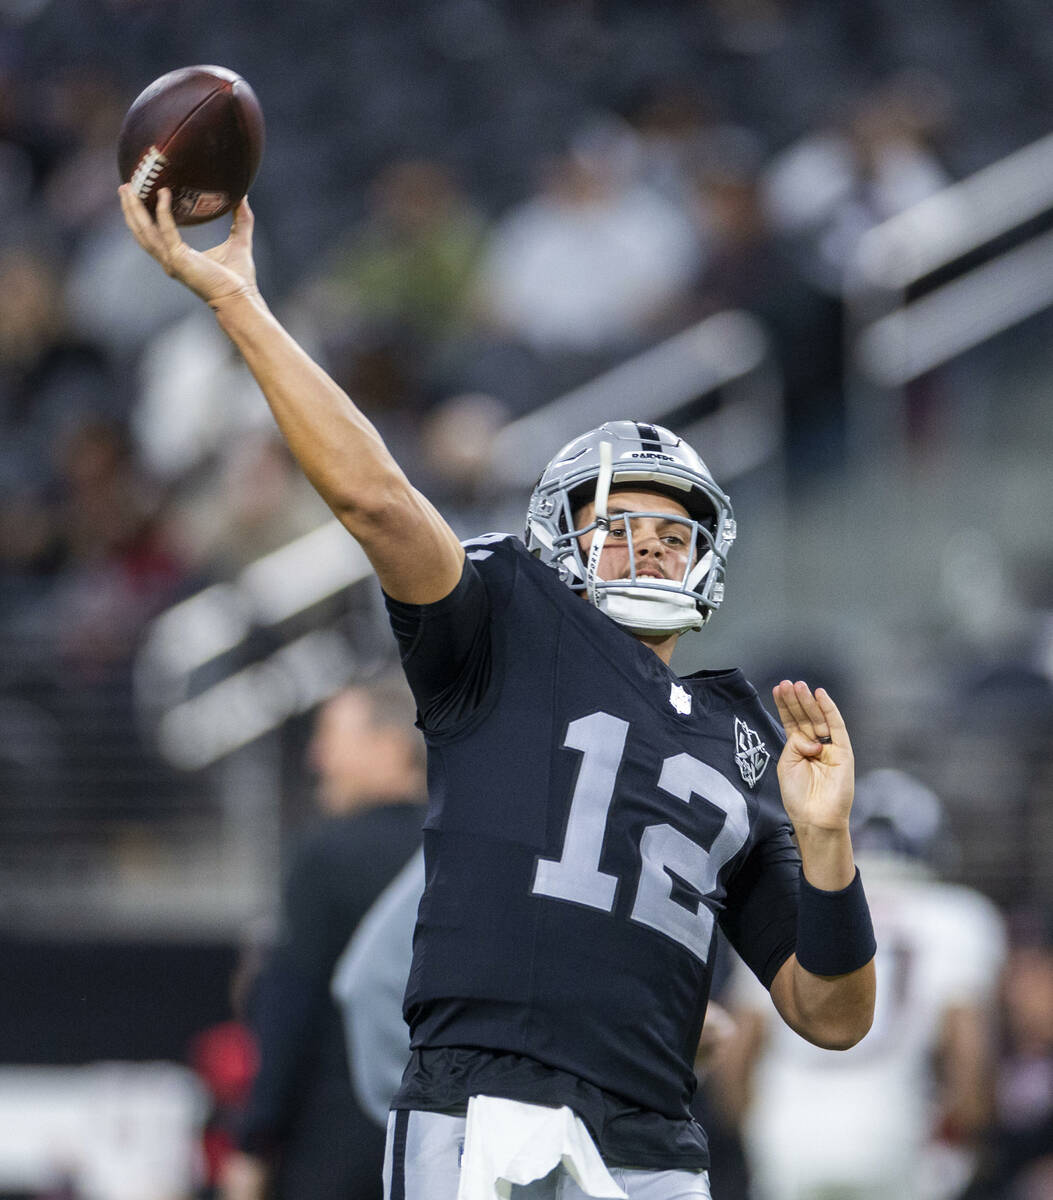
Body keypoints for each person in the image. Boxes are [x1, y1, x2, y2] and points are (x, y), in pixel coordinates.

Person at [120, 184, 877, 1200]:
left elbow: (832, 1014)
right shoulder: (503, 626)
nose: (649, 542)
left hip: (654, 1137)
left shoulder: (743, 738)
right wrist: (240, 306)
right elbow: (375, 500)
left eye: (671, 529)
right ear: (561, 536)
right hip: (485, 1106)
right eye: (620, 521)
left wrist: (828, 845)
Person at [713, 768, 1006, 1200]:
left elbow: (735, 1059)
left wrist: (754, 1131)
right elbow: (970, 1062)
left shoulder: (790, 904)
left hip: (788, 1142)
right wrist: (971, 1143)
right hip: (896, 1143)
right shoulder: (957, 917)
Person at [220, 678, 426, 1200]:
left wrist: (255, 1141)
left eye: (331, 737)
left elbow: (292, 1011)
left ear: (391, 745)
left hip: (333, 1148)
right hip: (438, 1150)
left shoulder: (324, 857)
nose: (316, 758)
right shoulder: (467, 854)